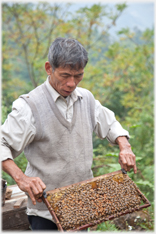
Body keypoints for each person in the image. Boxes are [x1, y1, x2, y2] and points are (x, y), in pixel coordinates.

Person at [1, 37, 137, 231]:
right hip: (45, 212)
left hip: (81, 207)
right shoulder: (29, 106)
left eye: (78, 75)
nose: (72, 83)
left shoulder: (87, 98)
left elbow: (111, 124)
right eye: (65, 75)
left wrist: (125, 146)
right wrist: (22, 179)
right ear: (49, 68)